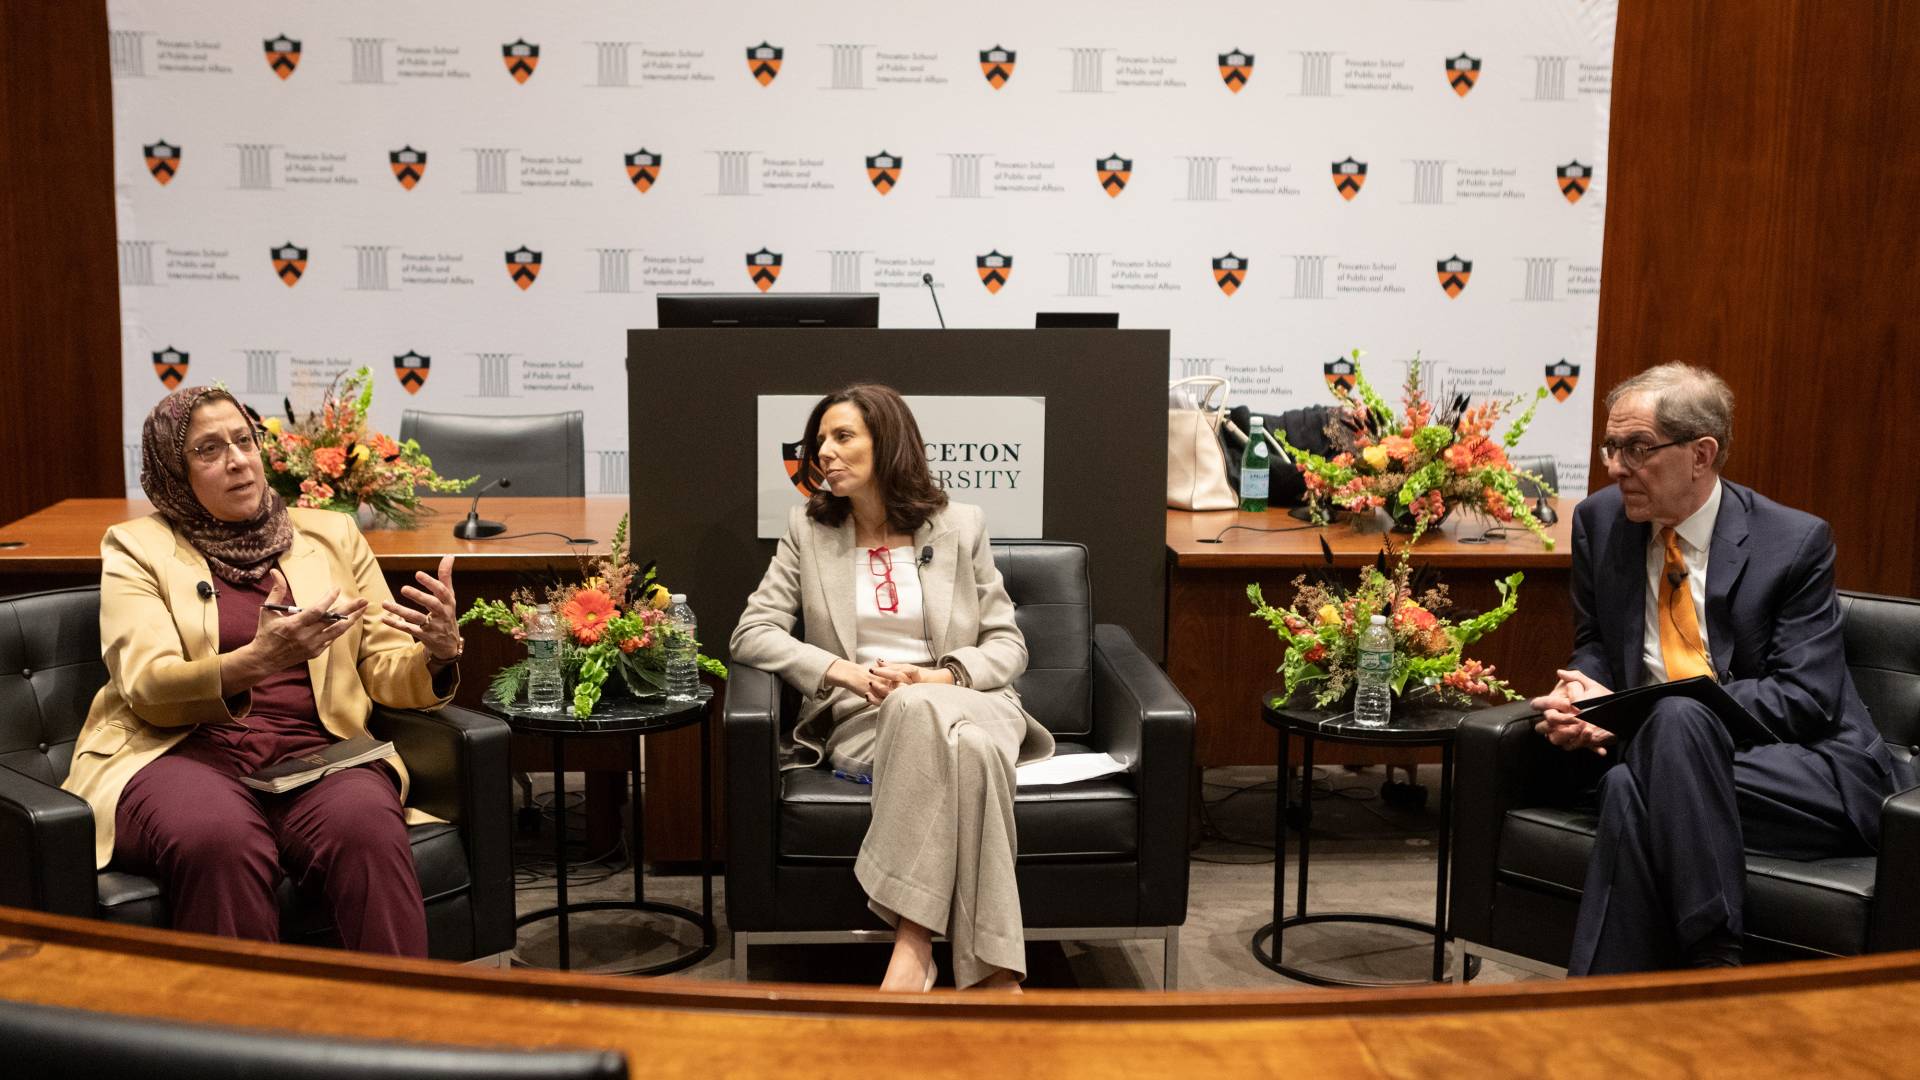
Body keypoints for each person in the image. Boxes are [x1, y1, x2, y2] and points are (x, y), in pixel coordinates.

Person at [61, 385, 466, 957]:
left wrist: (438, 654)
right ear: (174, 472)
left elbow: (381, 665)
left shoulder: (330, 535)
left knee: (367, 826)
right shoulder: (136, 547)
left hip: (312, 752)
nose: (236, 460)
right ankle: (244, 1039)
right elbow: (147, 686)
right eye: (208, 450)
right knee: (219, 839)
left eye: (244, 440)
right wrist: (258, 661)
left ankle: (403, 1034)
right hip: (177, 749)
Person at [1530, 363, 1908, 974]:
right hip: (1669, 762)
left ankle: (1648, 986)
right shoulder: (1602, 523)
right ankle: (1703, 971)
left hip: (1803, 770)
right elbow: (1597, 641)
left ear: (1701, 453)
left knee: (1668, 732)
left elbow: (1804, 698)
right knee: (1639, 774)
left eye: (1636, 448)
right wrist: (1584, 691)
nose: (1615, 466)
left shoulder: (1795, 542)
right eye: (1610, 446)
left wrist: (1638, 714)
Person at [731, 384, 1054, 991]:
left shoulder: (960, 524)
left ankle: (913, 944)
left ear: (889, 444)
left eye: (843, 436)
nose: (824, 451)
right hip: (867, 722)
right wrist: (843, 672)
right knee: (970, 754)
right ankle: (995, 973)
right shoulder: (809, 528)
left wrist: (941, 676)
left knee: (929, 708)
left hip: (976, 702)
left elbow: (1008, 646)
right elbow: (753, 632)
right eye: (819, 440)